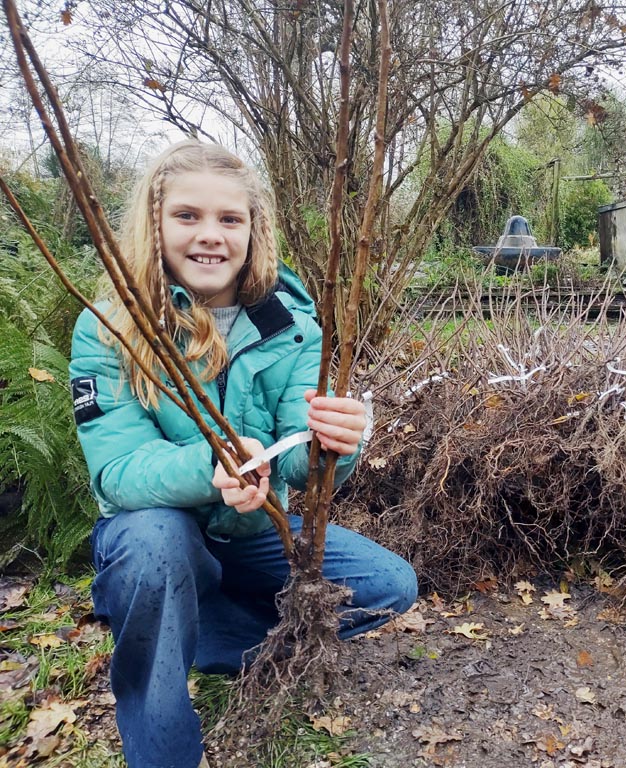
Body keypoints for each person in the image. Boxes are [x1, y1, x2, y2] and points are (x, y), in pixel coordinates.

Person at [69, 141, 417, 768]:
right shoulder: (109, 325)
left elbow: (299, 469)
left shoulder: (293, 325)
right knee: (155, 546)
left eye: (230, 220)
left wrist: (332, 447)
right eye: (187, 216)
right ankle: (163, 744)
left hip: (255, 529)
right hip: (154, 531)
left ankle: (188, 634)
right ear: (154, 224)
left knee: (387, 585)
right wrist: (211, 469)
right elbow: (117, 474)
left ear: (254, 230)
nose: (211, 236)